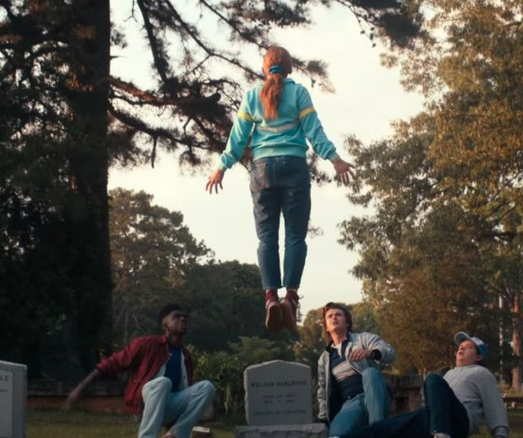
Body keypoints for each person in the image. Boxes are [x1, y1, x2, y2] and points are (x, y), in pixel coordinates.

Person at [205, 45, 355, 333]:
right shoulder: (298, 93)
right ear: (289, 69)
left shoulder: (252, 96)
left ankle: (271, 296)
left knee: (266, 238)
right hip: (293, 167)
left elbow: (238, 139)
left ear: (265, 69)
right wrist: (334, 158)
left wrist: (222, 167)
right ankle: (291, 297)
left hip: (262, 171)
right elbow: (314, 130)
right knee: (296, 236)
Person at [63, 304, 216, 438]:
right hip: (146, 402)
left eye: (184, 317)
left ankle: (175, 435)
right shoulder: (146, 344)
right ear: (165, 326)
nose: (183, 319)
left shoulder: (186, 357)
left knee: (207, 387)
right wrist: (79, 390)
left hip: (168, 406)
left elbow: (185, 393)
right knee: (163, 382)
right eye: (176, 317)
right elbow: (110, 364)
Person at [336, 332, 509, 438]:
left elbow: (495, 405)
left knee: (432, 379)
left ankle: (441, 434)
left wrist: (500, 434)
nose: (460, 349)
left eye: (467, 347)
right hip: (432, 418)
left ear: (479, 357)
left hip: (458, 420)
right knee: (384, 427)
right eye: (460, 347)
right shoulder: (449, 373)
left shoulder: (481, 373)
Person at [317, 302, 396, 437]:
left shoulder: (363, 338)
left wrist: (371, 353)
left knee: (369, 373)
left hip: (375, 394)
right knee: (336, 435)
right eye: (329, 316)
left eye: (338, 315)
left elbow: (390, 353)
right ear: (327, 328)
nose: (334, 318)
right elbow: (322, 391)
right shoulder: (324, 359)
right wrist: (324, 419)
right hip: (351, 403)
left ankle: (378, 430)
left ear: (347, 323)